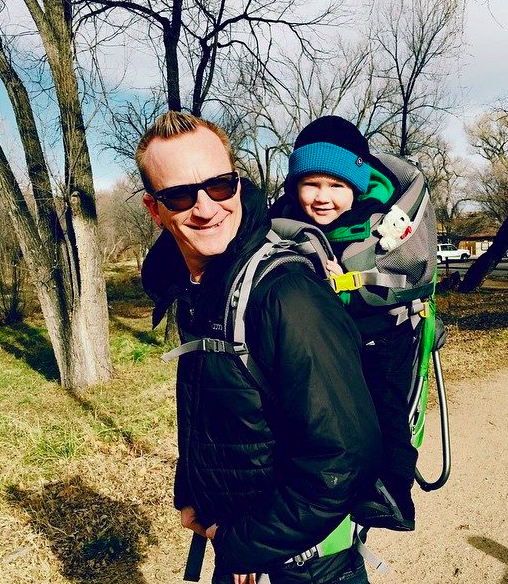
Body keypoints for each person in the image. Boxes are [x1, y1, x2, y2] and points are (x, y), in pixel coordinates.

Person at [137, 111, 382, 584]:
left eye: (219, 186)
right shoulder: (200, 286)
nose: (206, 208)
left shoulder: (287, 294)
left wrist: (242, 544)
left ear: (237, 182)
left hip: (309, 565)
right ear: (155, 208)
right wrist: (194, 492)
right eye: (181, 195)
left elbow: (344, 461)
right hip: (245, 549)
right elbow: (219, 410)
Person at [270, 115, 419, 530]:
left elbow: (395, 279)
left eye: (336, 185)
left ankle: (392, 491)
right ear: (294, 186)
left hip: (378, 332)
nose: (323, 197)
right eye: (311, 184)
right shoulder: (282, 220)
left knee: (382, 404)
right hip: (321, 336)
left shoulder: (376, 220)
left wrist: (347, 283)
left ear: (356, 186)